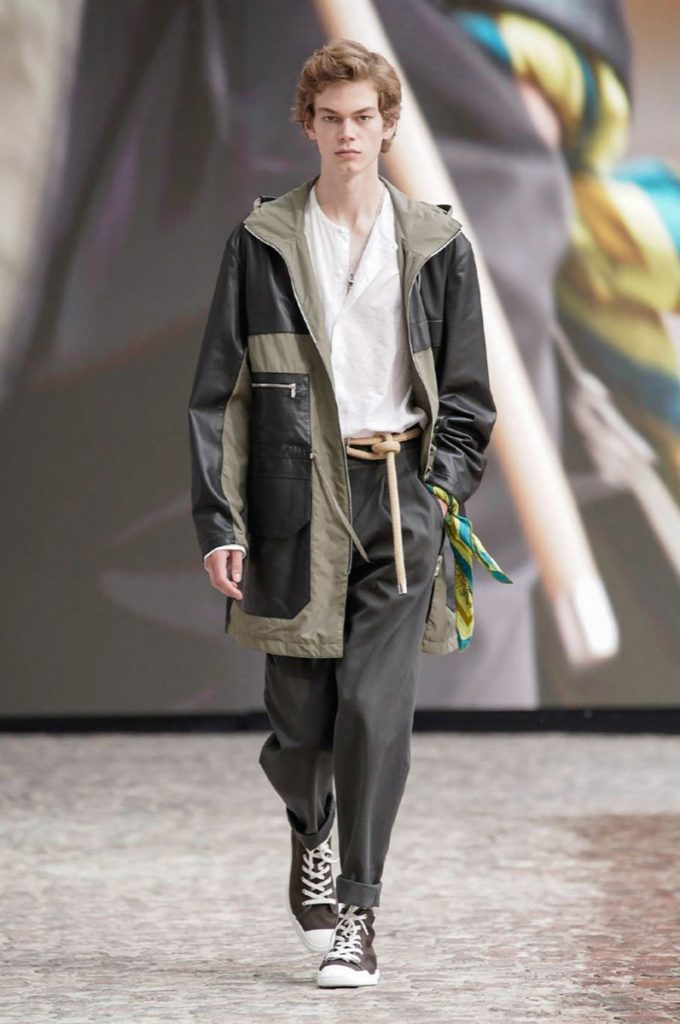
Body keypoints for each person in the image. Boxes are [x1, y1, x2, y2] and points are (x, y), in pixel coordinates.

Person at [188, 39, 499, 989]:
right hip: (292, 497)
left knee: (373, 708)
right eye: (332, 118)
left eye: (364, 118)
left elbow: (468, 396)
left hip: (399, 496)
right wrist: (222, 522)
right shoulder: (264, 241)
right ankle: (312, 829)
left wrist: (439, 491)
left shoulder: (438, 245)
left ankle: (358, 912)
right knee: (300, 725)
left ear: (388, 126)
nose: (349, 134)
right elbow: (219, 394)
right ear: (309, 126)